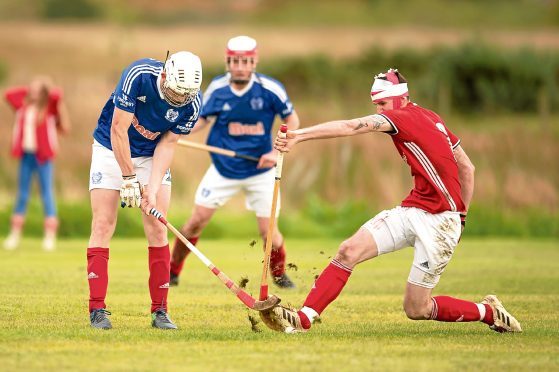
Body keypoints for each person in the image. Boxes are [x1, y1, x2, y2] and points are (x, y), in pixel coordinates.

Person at [262, 68, 522, 334]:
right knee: (348, 251)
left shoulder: (402, 117)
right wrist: (462, 215)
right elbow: (468, 168)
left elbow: (351, 126)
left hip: (440, 224)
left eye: (383, 103)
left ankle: (488, 313)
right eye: (376, 104)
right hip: (413, 210)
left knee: (417, 309)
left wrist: (298, 135)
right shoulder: (431, 117)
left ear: (400, 99)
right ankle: (303, 319)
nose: (379, 110)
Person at [169, 36, 300, 289]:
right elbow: (203, 119)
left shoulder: (271, 89)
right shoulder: (217, 88)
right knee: (195, 221)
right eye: (235, 61)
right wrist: (176, 132)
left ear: (255, 61)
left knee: (269, 234)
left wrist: (276, 151)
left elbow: (292, 121)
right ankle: (173, 271)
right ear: (227, 61)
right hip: (223, 168)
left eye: (246, 61)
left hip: (261, 169)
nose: (240, 66)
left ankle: (279, 275)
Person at [87, 51, 202, 330]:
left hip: (151, 155)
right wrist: (128, 178)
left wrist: (150, 187)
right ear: (165, 76)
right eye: (175, 93)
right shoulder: (138, 76)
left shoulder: (193, 103)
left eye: (184, 96)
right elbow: (118, 129)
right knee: (103, 223)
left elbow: (168, 143)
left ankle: (160, 311)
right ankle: (97, 309)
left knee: (158, 226)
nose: (179, 100)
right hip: (110, 147)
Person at [3, 77, 71, 251]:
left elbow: (57, 96)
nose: (32, 92)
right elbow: (8, 95)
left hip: (43, 157)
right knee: (23, 194)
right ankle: (15, 235)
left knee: (47, 193)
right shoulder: (23, 107)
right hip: (26, 156)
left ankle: (49, 236)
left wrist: (46, 89)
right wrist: (29, 90)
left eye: (36, 90)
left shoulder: (48, 109)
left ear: (43, 93)